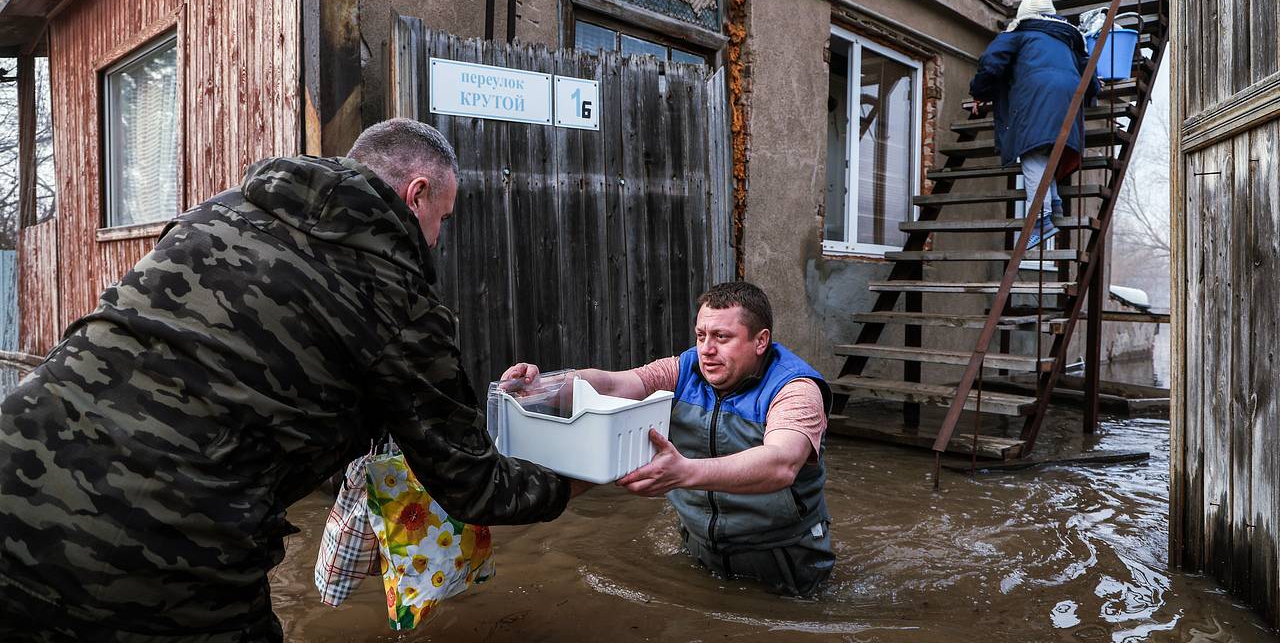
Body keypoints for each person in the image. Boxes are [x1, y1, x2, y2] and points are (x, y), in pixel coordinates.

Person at [0, 118, 589, 642]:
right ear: (417, 195)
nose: (437, 238)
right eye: (443, 219)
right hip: (167, 542)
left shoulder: (216, 213)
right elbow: (472, 486)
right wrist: (582, 478)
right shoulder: (396, 296)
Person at [502, 282, 834, 597]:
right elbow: (615, 384)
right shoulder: (684, 369)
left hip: (784, 559)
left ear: (760, 341)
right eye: (701, 335)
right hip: (700, 548)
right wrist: (544, 387)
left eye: (722, 337)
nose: (706, 350)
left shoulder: (796, 389)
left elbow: (781, 463)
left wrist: (685, 472)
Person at [968, 0, 1101, 249]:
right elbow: (1091, 76)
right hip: (1069, 100)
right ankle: (1056, 205)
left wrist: (979, 91)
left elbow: (991, 63)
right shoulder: (1069, 42)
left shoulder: (1019, 34)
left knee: (1031, 154)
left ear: (1024, 16)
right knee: (1045, 150)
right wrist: (1094, 90)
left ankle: (1041, 220)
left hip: (1036, 97)